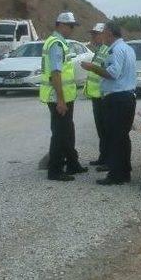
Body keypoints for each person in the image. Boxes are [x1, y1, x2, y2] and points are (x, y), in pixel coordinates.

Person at [81, 22, 137, 185]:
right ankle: (124, 171)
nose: (102, 36)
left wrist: (92, 68)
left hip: (117, 98)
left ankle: (116, 174)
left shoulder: (115, 50)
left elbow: (112, 73)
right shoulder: (128, 49)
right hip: (127, 97)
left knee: (114, 137)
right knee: (122, 137)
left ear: (111, 34)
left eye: (104, 33)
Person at [40, 12, 87, 181]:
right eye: (71, 26)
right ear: (60, 25)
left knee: (67, 131)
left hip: (64, 96)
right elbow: (56, 74)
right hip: (58, 97)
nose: (72, 30)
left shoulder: (58, 42)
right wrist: (60, 100)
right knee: (60, 134)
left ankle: (73, 164)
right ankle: (55, 170)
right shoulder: (56, 44)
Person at [83, 23, 110, 167]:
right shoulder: (100, 50)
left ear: (103, 35)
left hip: (103, 97)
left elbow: (107, 73)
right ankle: (103, 157)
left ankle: (108, 160)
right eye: (92, 34)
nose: (92, 37)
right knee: (101, 129)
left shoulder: (106, 50)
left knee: (106, 129)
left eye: (95, 34)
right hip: (97, 96)